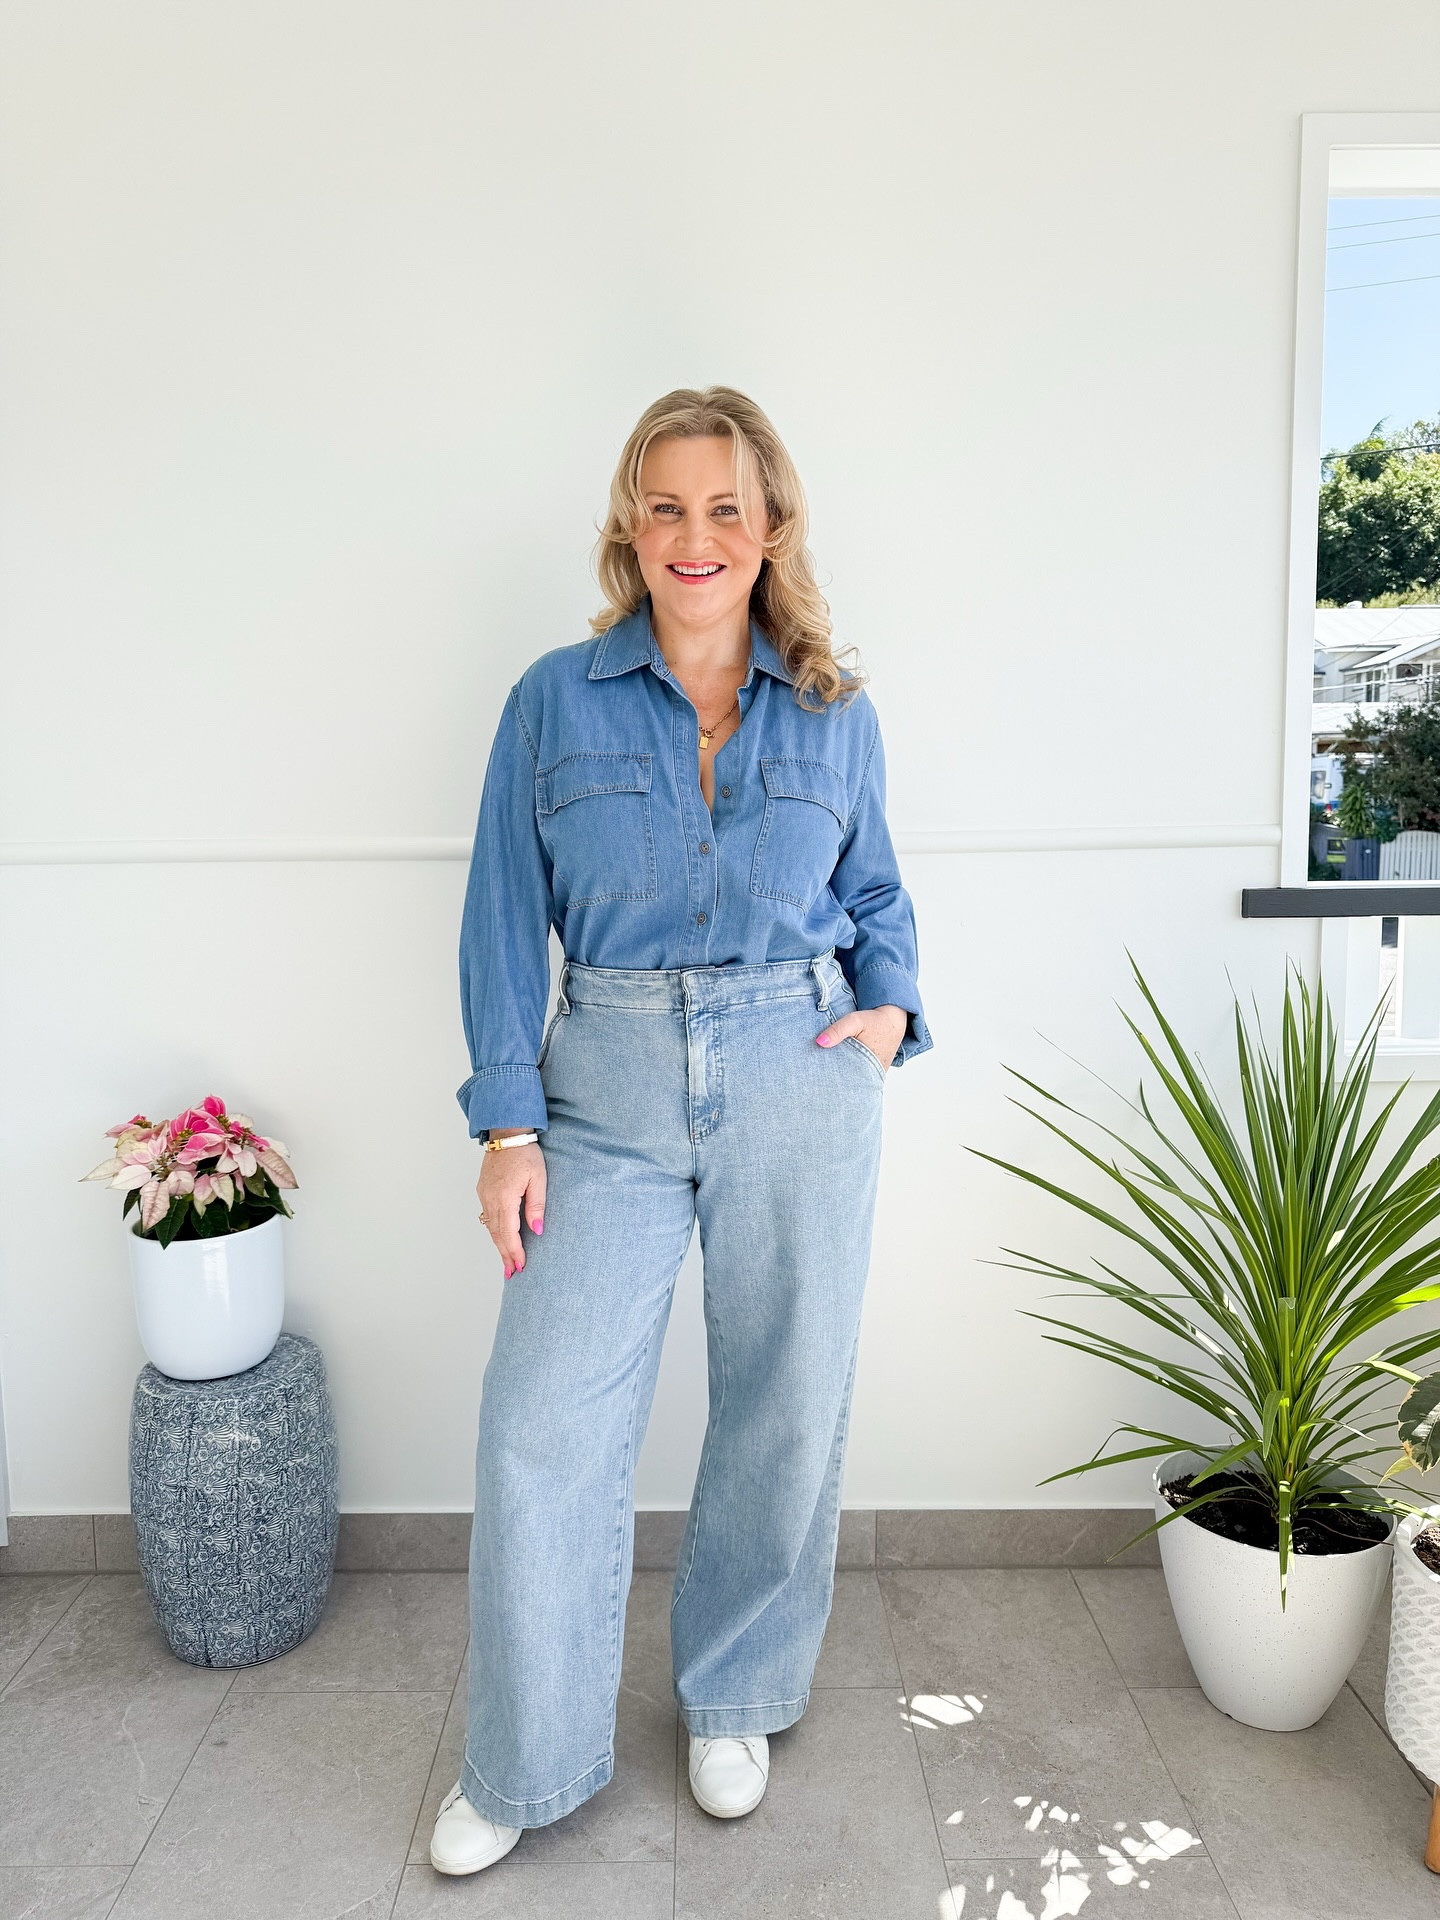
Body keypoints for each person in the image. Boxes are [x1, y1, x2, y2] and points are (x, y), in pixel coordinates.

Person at [430, 385, 931, 1876]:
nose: (696, 536)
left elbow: (883, 896)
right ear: (628, 530)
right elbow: (502, 923)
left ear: (770, 526)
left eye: (726, 507)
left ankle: (739, 1691)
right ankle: (523, 1763)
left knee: (786, 1394)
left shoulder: (836, 709)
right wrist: (507, 1125)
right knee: (542, 1425)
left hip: (800, 1059)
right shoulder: (551, 702)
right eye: (668, 507)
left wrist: (892, 1009)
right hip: (610, 1082)